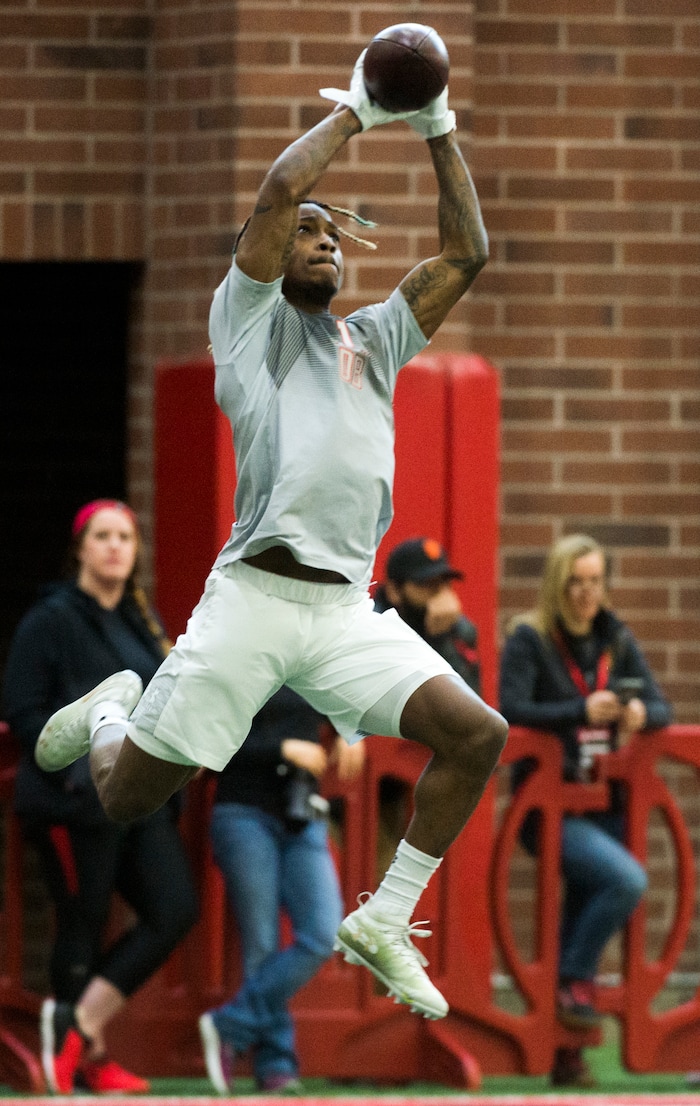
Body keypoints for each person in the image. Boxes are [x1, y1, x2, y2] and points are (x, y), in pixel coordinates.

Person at [32, 51, 508, 1059]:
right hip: (252, 595)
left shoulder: (371, 341)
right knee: (123, 795)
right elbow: (280, 187)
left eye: (337, 237)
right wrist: (359, 110)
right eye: (308, 234)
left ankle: (384, 915)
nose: (324, 241)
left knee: (475, 732)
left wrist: (436, 125)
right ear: (268, 249)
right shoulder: (245, 324)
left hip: (342, 610)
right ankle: (115, 704)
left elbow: (467, 252)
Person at [2, 500, 198, 1094]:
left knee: (172, 910)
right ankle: (79, 1058)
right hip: (73, 802)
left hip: (137, 800)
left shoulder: (141, 622)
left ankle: (80, 1029)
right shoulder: (51, 618)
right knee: (81, 923)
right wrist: (76, 772)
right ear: (81, 548)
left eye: (125, 537)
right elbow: (24, 710)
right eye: (103, 536)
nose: (115, 546)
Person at [498, 533, 672, 1088]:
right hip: (547, 807)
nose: (586, 594)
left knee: (580, 913)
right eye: (576, 583)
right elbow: (511, 708)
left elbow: (662, 704)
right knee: (624, 881)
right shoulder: (530, 638)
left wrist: (642, 710)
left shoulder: (615, 636)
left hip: (606, 800)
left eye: (595, 582)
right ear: (557, 585)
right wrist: (580, 708)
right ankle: (573, 981)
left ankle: (566, 1053)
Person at [199, 686, 364, 1094]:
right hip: (242, 810)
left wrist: (352, 731)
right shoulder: (236, 650)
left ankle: (229, 1024)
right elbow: (204, 742)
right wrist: (281, 749)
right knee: (262, 943)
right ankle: (276, 1064)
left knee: (324, 933)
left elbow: (354, 693)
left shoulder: (310, 652)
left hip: (302, 812)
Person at [374, 537, 481, 695]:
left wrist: (441, 639)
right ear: (394, 591)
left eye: (443, 583)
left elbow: (469, 703)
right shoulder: (373, 632)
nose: (438, 594)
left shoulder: (461, 631)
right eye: (426, 584)